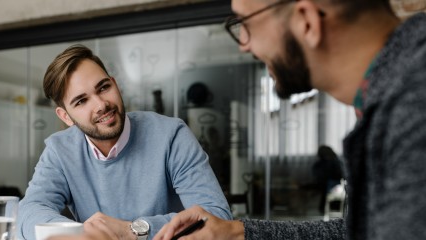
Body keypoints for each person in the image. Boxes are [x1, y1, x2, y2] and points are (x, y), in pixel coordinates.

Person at [152, 0, 426, 239]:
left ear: (307, 22)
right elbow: (354, 232)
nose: (244, 45)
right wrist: (238, 233)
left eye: (247, 23)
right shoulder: (390, 95)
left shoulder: (413, 107)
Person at [17, 44, 232, 240]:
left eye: (103, 88)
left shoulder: (171, 135)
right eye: (82, 101)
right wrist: (79, 235)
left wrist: (135, 230)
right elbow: (31, 209)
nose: (101, 104)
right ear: (65, 117)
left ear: (115, 84)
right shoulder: (59, 150)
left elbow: (216, 218)